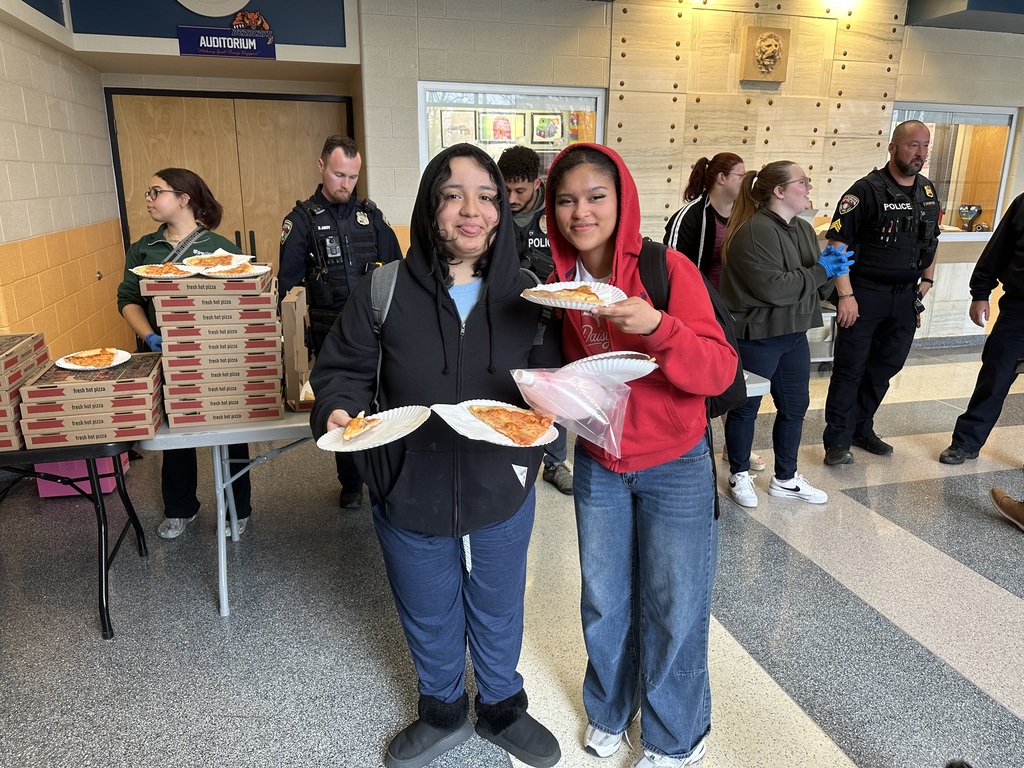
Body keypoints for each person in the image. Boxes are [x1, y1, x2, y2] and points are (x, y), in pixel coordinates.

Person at [309, 144, 561, 768]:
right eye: (452, 195)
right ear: (430, 207)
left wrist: (560, 402)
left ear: (503, 210)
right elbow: (340, 373)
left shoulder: (529, 294)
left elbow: (552, 377)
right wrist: (337, 411)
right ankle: (443, 709)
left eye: (486, 196)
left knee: (499, 603)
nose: (469, 211)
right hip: (408, 484)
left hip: (500, 485)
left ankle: (502, 705)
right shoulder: (384, 290)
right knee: (426, 605)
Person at [545, 143, 738, 768]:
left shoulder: (668, 270)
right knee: (604, 598)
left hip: (676, 463)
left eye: (596, 196)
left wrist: (656, 325)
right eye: (567, 199)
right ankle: (608, 710)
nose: (581, 211)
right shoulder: (557, 288)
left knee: (675, 605)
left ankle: (675, 739)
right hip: (601, 461)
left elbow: (717, 368)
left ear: (621, 200)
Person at [116, 168, 252, 539]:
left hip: (217, 352)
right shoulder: (145, 248)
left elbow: (244, 300)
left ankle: (237, 510)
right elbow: (127, 300)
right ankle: (180, 508)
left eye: (155, 192)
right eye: (148, 192)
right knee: (176, 429)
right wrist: (149, 336)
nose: (148, 199)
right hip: (167, 352)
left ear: (184, 198)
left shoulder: (220, 249)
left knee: (230, 428)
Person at [279, 135, 403, 509]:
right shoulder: (300, 221)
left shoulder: (371, 216)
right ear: (321, 167)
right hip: (330, 332)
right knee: (344, 405)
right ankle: (350, 482)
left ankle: (386, 477)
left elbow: (398, 271)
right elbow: (287, 286)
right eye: (338, 175)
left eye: (352, 176)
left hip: (379, 330)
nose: (346, 184)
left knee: (385, 403)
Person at [718, 162, 848, 509]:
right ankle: (739, 473)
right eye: (802, 182)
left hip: (793, 333)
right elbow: (774, 288)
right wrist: (821, 269)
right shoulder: (754, 230)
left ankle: (786, 478)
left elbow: (813, 287)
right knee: (746, 408)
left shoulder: (803, 230)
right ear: (779, 191)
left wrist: (833, 269)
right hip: (759, 334)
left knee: (795, 406)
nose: (808, 187)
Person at [822, 120, 941, 465]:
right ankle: (838, 440)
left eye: (925, 146)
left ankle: (862, 427)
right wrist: (845, 295)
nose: (920, 153)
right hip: (864, 294)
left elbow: (932, 240)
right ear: (893, 147)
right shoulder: (864, 191)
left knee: (886, 365)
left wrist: (927, 281)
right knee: (850, 368)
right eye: (912, 146)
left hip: (905, 298)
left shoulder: (928, 192)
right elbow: (835, 247)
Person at [664, 152, 768, 473]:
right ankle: (698, 441)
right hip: (699, 313)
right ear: (721, 178)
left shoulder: (744, 215)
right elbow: (671, 266)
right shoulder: (691, 216)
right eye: (739, 175)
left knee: (733, 381)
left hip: (732, 311)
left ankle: (733, 447)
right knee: (706, 382)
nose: (744, 180)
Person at [497, 145, 573, 495]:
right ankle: (509, 457)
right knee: (506, 388)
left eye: (520, 191)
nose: (510, 198)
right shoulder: (491, 210)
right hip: (505, 320)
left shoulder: (557, 211)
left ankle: (555, 462)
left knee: (551, 393)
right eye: (505, 189)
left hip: (550, 320)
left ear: (537, 184)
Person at [938, 192, 1024, 464]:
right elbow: (997, 250)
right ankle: (965, 443)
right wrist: (980, 293)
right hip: (1018, 312)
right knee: (994, 377)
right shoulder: (1023, 204)